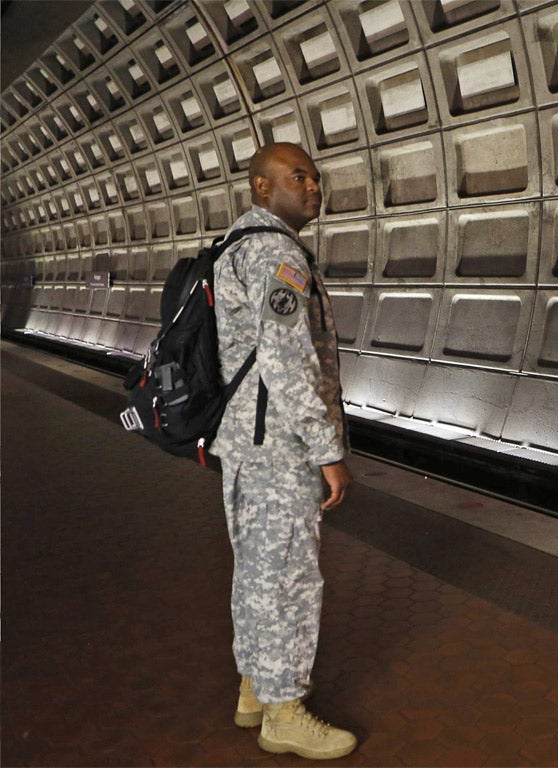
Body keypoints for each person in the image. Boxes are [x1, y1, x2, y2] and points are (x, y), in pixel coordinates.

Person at [211, 142, 356, 760]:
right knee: (290, 578)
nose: (314, 186)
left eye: (317, 177)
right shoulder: (274, 252)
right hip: (279, 448)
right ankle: (285, 712)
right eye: (299, 177)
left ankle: (254, 688)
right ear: (262, 188)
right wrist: (327, 448)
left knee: (256, 573)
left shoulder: (237, 246)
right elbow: (287, 359)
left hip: (246, 442)